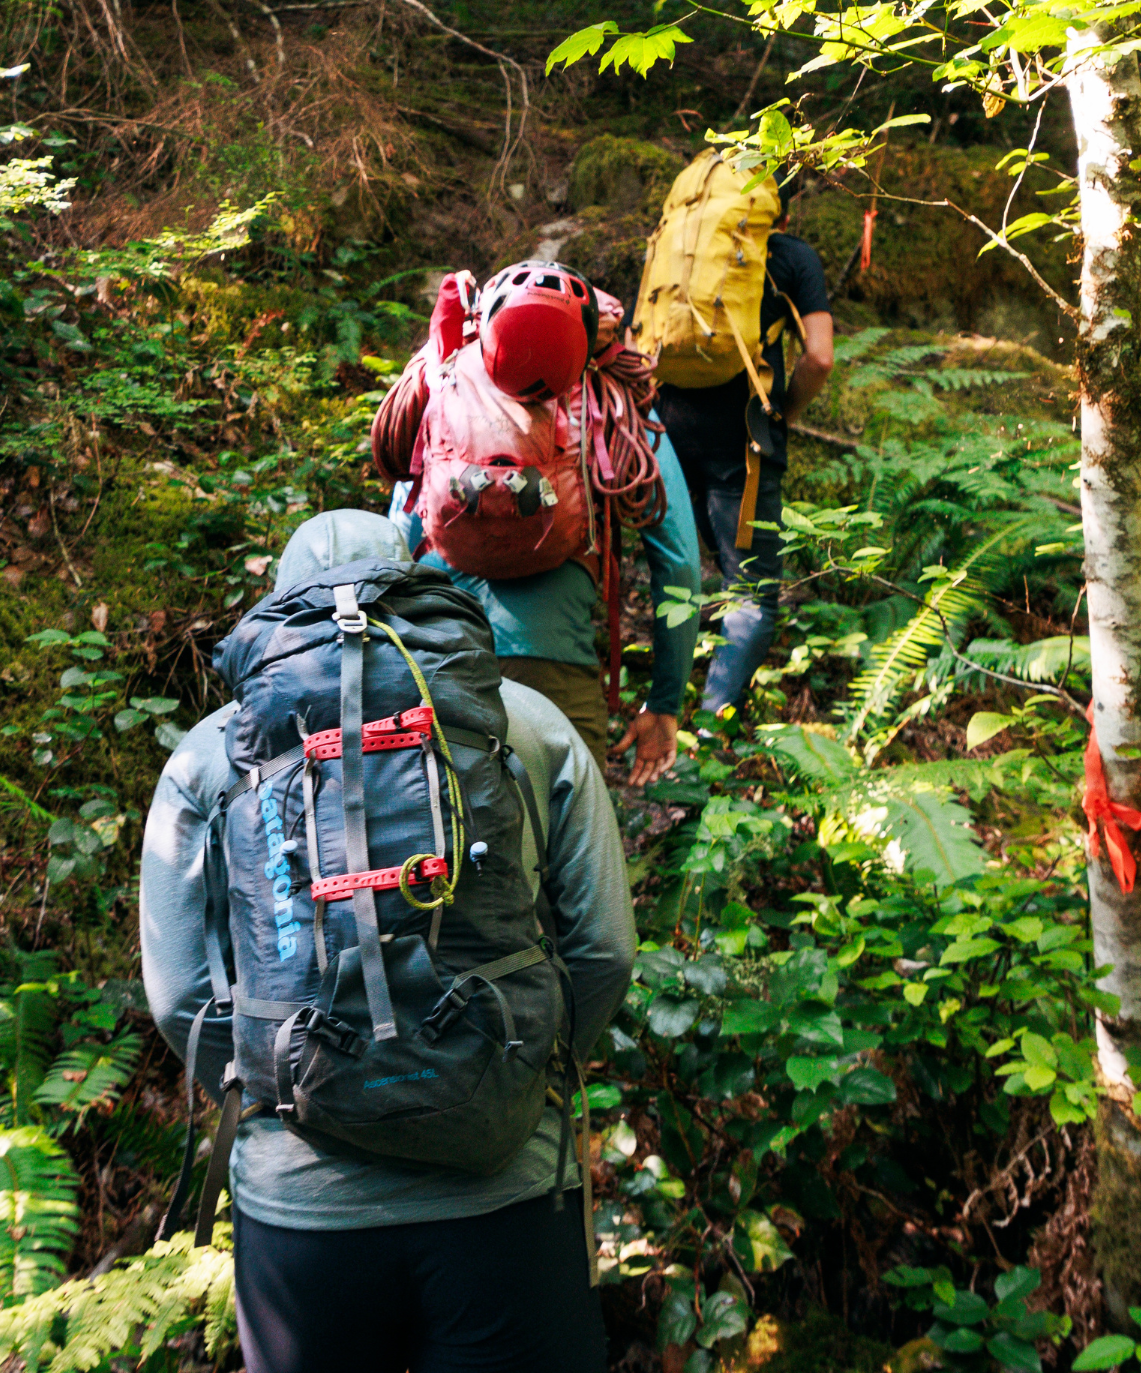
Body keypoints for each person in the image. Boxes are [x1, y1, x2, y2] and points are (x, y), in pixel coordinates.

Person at [141, 508, 635, 1373]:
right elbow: (603, 951)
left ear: (281, 609)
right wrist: (518, 1070)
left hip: (302, 1212)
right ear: (417, 584)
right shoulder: (525, 722)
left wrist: (289, 1081)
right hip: (507, 1196)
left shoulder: (214, 756)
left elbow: (181, 994)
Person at [388, 419, 698, 787]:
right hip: (554, 667)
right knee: (573, 836)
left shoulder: (440, 384)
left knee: (444, 831)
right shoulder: (614, 401)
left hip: (436, 658)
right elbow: (679, 566)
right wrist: (664, 702)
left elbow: (394, 545)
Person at [655, 202, 833, 719]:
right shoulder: (790, 256)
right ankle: (711, 728)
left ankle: (660, 706)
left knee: (675, 571)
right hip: (745, 436)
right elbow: (819, 357)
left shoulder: (682, 251)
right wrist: (784, 415)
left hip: (668, 424)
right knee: (753, 590)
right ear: (781, 207)